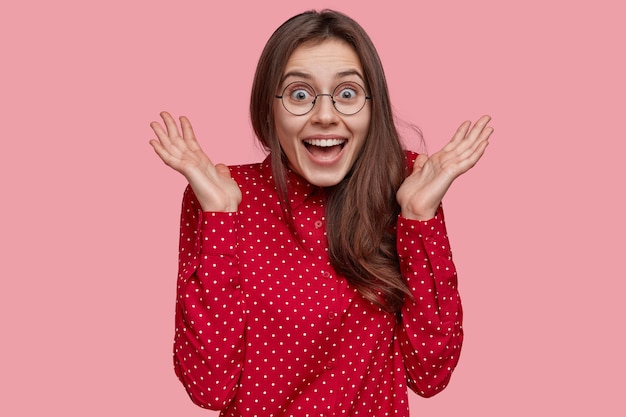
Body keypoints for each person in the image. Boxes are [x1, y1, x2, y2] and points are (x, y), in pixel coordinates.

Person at [149, 9, 493, 417]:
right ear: (268, 108)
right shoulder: (224, 194)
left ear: (372, 107)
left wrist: (420, 215)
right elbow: (210, 387)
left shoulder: (405, 185)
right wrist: (220, 216)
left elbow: (431, 375)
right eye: (299, 94)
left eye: (347, 93)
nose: (325, 114)